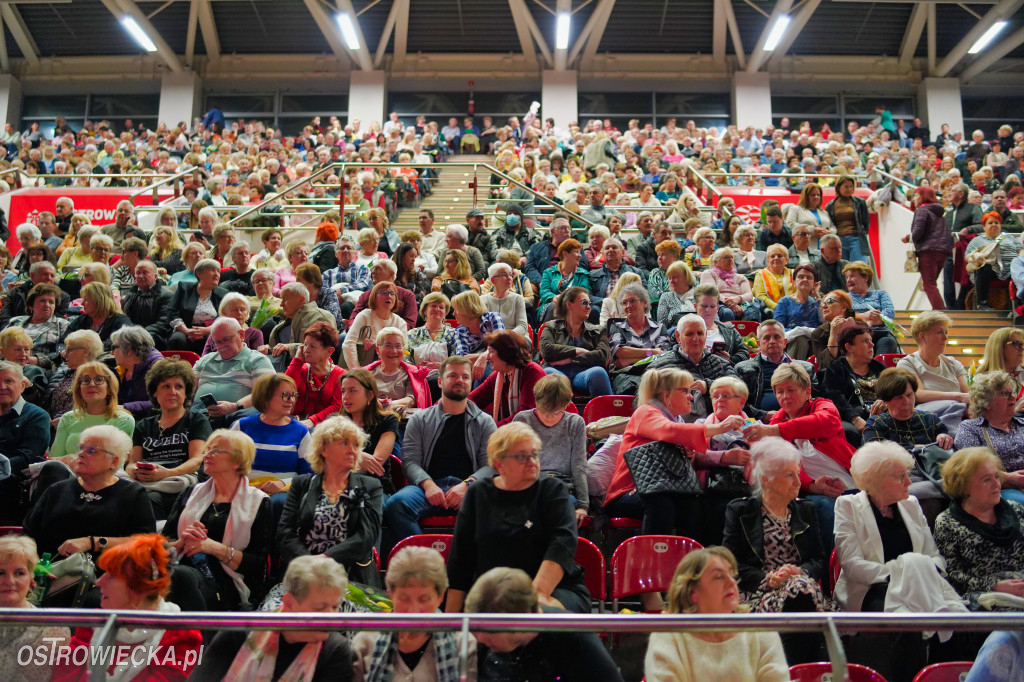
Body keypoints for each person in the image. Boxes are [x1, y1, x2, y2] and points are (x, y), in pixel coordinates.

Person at [834, 441, 969, 681]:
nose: (909, 482)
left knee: (956, 618)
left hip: (922, 582)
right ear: (875, 480)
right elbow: (853, 566)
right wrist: (904, 570)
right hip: (872, 588)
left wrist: (915, 570)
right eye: (900, 476)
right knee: (909, 622)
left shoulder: (912, 503)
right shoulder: (847, 506)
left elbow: (934, 556)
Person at [446, 422, 590, 614]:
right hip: (494, 591)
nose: (532, 461)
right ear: (499, 464)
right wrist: (450, 626)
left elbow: (562, 545)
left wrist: (533, 599)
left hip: (554, 589)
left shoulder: (553, 490)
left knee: (531, 618)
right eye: (522, 456)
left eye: (534, 454)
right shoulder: (478, 494)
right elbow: (461, 560)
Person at [605, 367, 745, 547]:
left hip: (666, 489)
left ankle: (693, 564)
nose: (691, 396)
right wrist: (720, 428)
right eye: (685, 391)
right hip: (628, 491)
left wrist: (691, 455)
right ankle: (652, 564)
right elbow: (668, 431)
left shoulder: (677, 419)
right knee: (661, 502)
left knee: (695, 504)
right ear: (666, 395)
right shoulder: (646, 412)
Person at [722, 438, 833, 663]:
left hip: (802, 588)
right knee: (802, 597)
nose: (797, 482)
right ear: (766, 480)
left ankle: (795, 670)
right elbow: (730, 563)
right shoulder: (740, 510)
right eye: (790, 475)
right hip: (757, 593)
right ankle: (802, 670)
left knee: (800, 590)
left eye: (797, 473)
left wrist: (799, 573)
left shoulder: (806, 510)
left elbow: (819, 560)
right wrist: (768, 578)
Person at [50, 534, 202, 682]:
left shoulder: (181, 635)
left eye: (111, 576)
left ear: (141, 586)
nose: (99, 582)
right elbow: (63, 676)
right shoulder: (95, 623)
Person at [382, 356, 496, 553]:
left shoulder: (485, 421)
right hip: (428, 487)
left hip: (470, 488)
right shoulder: (420, 419)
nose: (460, 380)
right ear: (441, 381)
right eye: (453, 375)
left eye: (465, 377)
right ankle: (424, 561)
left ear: (471, 382)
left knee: (499, 508)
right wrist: (428, 485)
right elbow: (409, 461)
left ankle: (468, 564)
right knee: (396, 506)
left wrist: (466, 485)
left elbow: (491, 465)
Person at [744, 363, 854, 552]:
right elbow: (780, 467)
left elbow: (823, 422)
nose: (785, 396)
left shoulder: (823, 406)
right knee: (825, 509)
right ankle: (831, 572)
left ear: (807, 391)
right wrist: (812, 485)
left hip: (852, 482)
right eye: (779, 391)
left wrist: (773, 431)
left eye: (791, 390)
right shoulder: (777, 420)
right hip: (812, 491)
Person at [191, 555, 354, 682]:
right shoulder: (240, 631)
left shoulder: (336, 651)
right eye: (320, 608)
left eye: (334, 607)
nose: (330, 616)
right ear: (288, 603)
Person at [163, 429, 274, 611]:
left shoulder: (259, 502)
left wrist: (213, 548)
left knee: (180, 577)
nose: (207, 455)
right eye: (208, 450)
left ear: (238, 461)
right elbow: (161, 545)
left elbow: (258, 566)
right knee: (176, 577)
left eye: (217, 451)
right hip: (181, 570)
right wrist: (181, 543)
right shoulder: (191, 493)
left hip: (228, 582)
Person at [273, 415, 383, 597]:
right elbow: (285, 533)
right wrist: (308, 562)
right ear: (323, 449)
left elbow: (366, 536)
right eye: (344, 443)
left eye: (356, 445)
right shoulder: (302, 484)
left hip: (351, 578)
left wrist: (326, 558)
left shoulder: (370, 486)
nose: (352, 451)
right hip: (304, 574)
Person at [644, 546, 790, 682]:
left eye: (732, 576)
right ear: (692, 592)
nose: (731, 583)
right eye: (719, 577)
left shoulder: (761, 631)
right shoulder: (667, 637)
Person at [25, 424, 155, 564]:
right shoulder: (56, 490)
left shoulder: (133, 494)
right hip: (50, 573)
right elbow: (29, 534)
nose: (80, 454)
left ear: (114, 461)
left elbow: (146, 544)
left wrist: (92, 543)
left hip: (106, 576)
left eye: (91, 450)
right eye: (81, 448)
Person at [466, 566, 623, 681]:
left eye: (487, 630)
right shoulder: (485, 646)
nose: (480, 638)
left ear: (521, 619)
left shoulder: (574, 636)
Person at [352, 545, 477, 681]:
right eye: (404, 599)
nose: (413, 609)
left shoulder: (463, 644)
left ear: (440, 597)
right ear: (391, 594)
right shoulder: (365, 642)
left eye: (424, 599)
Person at [933, 447, 1024, 610]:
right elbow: (951, 576)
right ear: (964, 486)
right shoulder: (947, 523)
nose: (996, 484)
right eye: (986, 479)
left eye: (997, 477)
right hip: (985, 599)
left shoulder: (1016, 509)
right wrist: (994, 586)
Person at [127, 359, 210, 520]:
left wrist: (167, 473)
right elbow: (132, 462)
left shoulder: (197, 420)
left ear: (186, 393)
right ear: (155, 392)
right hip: (148, 481)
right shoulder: (144, 425)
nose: (173, 391)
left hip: (180, 484)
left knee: (147, 500)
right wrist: (134, 471)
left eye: (178, 386)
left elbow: (197, 460)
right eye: (166, 386)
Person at [512, 373, 589, 521]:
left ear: (566, 405)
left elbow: (579, 466)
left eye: (554, 412)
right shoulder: (523, 419)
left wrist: (583, 505)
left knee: (556, 507)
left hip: (562, 488)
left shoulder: (575, 423)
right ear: (536, 402)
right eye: (543, 410)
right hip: (529, 486)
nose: (548, 417)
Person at [232, 372, 313, 508]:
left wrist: (283, 483)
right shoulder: (242, 426)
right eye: (285, 395)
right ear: (265, 397)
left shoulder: (300, 431)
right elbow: (227, 464)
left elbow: (308, 474)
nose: (291, 400)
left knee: (276, 503)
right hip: (244, 488)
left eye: (293, 395)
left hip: (282, 492)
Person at [0, 535, 70, 682]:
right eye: (1, 573)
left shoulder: (52, 630)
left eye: (19, 573)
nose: (9, 581)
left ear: (32, 578)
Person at [954, 371, 1024, 506]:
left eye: (1012, 393)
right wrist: (1008, 478)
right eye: (1005, 394)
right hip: (1000, 490)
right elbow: (970, 469)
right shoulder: (971, 428)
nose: (1012, 398)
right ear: (986, 402)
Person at [192, 316, 275, 427]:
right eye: (217, 342)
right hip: (201, 411)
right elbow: (187, 387)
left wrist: (235, 406)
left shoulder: (257, 360)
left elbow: (266, 393)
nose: (222, 346)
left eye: (226, 339)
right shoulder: (205, 360)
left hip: (237, 413)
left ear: (241, 335)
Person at [894, 310, 969, 429]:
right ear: (923, 336)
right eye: (940, 332)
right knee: (955, 406)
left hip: (958, 412)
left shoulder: (953, 364)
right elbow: (918, 394)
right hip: (928, 416)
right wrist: (958, 397)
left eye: (946, 332)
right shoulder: (907, 363)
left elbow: (967, 394)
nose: (946, 338)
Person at [820, 322, 887, 444]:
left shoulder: (879, 368)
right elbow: (834, 398)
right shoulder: (836, 368)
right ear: (849, 347)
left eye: (871, 340)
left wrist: (886, 400)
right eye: (865, 341)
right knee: (848, 431)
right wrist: (854, 418)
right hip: (854, 416)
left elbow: (895, 389)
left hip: (883, 416)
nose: (872, 345)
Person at [336, 369, 400, 498]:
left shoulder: (388, 421)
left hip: (375, 488)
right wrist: (359, 457)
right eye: (343, 391)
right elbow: (323, 459)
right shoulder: (336, 423)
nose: (346, 397)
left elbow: (375, 464)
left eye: (352, 391)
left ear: (370, 395)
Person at [539, 287, 611, 397]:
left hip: (584, 374)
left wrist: (569, 359)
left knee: (599, 373)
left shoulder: (598, 330)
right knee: (548, 374)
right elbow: (547, 351)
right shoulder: (551, 327)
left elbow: (602, 357)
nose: (589, 307)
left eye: (589, 303)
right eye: (584, 303)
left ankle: (606, 413)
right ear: (569, 305)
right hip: (558, 372)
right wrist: (577, 350)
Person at [287, 321, 345, 429]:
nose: (306, 350)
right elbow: (283, 391)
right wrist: (297, 361)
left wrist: (313, 420)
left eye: (312, 346)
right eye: (305, 345)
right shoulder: (299, 368)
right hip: (292, 421)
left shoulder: (340, 375)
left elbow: (337, 406)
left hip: (324, 425)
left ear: (329, 351)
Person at [607, 282, 673, 372]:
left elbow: (663, 354)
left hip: (654, 372)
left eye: (632, 301)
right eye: (624, 303)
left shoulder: (659, 328)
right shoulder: (616, 327)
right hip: (626, 375)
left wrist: (630, 360)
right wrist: (652, 352)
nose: (628, 306)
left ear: (644, 303)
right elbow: (619, 351)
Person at [166, 257, 228, 353]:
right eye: (212, 270)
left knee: (212, 339)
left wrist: (208, 330)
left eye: (218, 271)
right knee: (177, 339)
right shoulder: (184, 288)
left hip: (211, 330)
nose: (217, 274)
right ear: (199, 274)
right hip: (184, 330)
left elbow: (225, 316)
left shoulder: (223, 293)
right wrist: (186, 330)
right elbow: (172, 311)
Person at [365, 327, 434, 412]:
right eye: (388, 345)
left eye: (398, 346)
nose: (394, 351)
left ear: (403, 349)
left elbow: (411, 399)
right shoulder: (367, 373)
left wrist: (389, 404)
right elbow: (360, 397)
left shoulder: (412, 373)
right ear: (378, 350)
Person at [344, 281, 408, 369]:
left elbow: (404, 351)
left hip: (389, 369)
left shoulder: (400, 323)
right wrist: (356, 369)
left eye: (392, 293)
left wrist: (377, 344)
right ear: (374, 297)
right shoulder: (364, 316)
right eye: (383, 293)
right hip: (362, 366)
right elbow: (348, 343)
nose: (389, 296)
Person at [4, 282, 67, 370]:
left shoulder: (62, 325)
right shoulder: (15, 322)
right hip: (8, 365)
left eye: (51, 302)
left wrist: (38, 360)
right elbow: (2, 343)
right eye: (42, 301)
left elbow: (61, 354)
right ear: (31, 306)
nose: (47, 305)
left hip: (38, 370)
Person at [967, 211, 1023, 310]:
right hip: (989, 269)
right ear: (984, 226)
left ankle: (1020, 305)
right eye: (990, 223)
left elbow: (1020, 250)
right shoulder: (977, 240)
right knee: (984, 269)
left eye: (996, 223)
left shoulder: (1009, 238)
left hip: (1011, 268)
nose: (994, 225)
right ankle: (982, 304)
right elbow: (968, 257)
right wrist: (977, 258)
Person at [843, 261, 900, 355]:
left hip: (880, 333)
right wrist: (864, 316)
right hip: (855, 335)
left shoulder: (881, 294)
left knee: (888, 341)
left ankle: (878, 369)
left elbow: (889, 313)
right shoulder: (845, 297)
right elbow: (843, 315)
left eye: (852, 276)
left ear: (865, 277)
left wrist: (874, 321)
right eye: (847, 277)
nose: (848, 280)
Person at [908, 186, 950, 311]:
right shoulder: (939, 212)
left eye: (916, 195)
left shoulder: (923, 210)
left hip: (927, 251)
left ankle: (940, 311)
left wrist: (907, 237)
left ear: (923, 196)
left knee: (929, 284)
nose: (914, 199)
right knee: (931, 283)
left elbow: (917, 232)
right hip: (941, 251)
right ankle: (938, 310)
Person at [61, 281, 130, 352]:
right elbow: (63, 341)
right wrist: (63, 351)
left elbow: (116, 343)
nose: (82, 303)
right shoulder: (82, 319)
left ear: (99, 301)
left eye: (86, 300)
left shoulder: (121, 321)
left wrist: (83, 349)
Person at [121, 260, 174, 349]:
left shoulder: (167, 295)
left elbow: (164, 322)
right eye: (138, 273)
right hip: (132, 333)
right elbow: (125, 318)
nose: (141, 276)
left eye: (145, 273)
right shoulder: (130, 294)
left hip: (155, 335)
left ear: (155, 276)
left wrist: (141, 333)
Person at [699, 247, 755, 321]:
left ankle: (749, 332)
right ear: (716, 262)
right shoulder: (708, 274)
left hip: (740, 303)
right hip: (718, 304)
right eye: (726, 257)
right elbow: (711, 292)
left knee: (752, 311)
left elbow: (749, 295)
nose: (730, 260)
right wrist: (730, 303)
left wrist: (738, 299)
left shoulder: (741, 277)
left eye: (732, 257)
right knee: (727, 312)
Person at [825, 175, 870, 263]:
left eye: (851, 187)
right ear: (839, 188)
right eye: (846, 187)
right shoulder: (830, 205)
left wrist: (862, 233)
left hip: (856, 239)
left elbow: (866, 222)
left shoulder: (860, 202)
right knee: (842, 268)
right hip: (839, 240)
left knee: (859, 266)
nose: (849, 189)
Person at [538, 237, 589, 317]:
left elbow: (584, 291)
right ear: (565, 254)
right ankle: (549, 329)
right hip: (552, 304)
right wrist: (554, 298)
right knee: (554, 307)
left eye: (580, 253)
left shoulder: (583, 274)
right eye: (576, 252)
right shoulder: (549, 272)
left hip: (574, 304)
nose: (580, 256)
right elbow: (544, 291)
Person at [406, 291, 456, 370]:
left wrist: (442, 366)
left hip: (446, 376)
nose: (437, 309)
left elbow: (458, 359)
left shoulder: (454, 334)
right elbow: (405, 357)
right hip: (417, 376)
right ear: (425, 310)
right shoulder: (411, 334)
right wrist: (417, 369)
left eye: (441, 307)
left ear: (445, 313)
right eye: (433, 306)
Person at [481, 261, 529, 342]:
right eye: (504, 275)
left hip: (515, 338)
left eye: (510, 275)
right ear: (493, 280)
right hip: (492, 340)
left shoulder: (518, 298)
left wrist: (504, 336)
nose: (509, 278)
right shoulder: (482, 299)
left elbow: (522, 326)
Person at [752, 244, 794, 313]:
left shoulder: (793, 273)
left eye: (779, 256)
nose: (776, 258)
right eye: (772, 256)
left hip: (793, 308)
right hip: (772, 310)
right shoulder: (761, 275)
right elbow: (761, 296)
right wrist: (778, 307)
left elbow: (798, 293)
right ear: (768, 260)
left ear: (786, 259)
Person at [657, 260, 697, 328]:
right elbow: (661, 324)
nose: (671, 281)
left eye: (675, 277)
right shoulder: (666, 297)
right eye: (669, 278)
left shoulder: (700, 294)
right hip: (674, 334)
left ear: (686, 277)